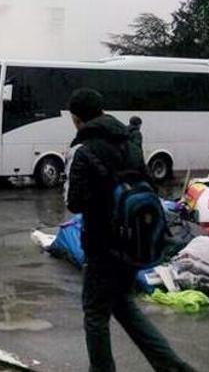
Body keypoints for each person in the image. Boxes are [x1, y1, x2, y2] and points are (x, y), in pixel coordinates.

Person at [65, 88, 195, 372]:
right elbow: (147, 182)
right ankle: (173, 366)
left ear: (76, 119)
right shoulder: (129, 143)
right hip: (135, 241)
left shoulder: (84, 151)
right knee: (123, 304)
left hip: (102, 245)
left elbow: (74, 203)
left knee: (95, 314)